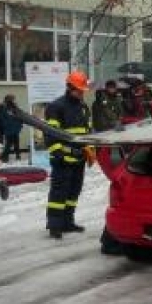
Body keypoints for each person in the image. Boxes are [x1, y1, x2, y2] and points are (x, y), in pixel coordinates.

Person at [45, 71, 94, 239]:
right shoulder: (56, 107)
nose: (81, 93)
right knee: (59, 193)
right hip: (62, 159)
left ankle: (68, 222)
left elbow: (86, 131)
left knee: (74, 191)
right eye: (79, 90)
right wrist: (57, 153)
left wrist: (89, 149)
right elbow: (50, 133)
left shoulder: (83, 107)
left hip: (79, 157)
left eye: (82, 90)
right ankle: (54, 226)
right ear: (70, 87)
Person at [0, 95, 24, 162]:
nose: (14, 100)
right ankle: (4, 157)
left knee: (16, 143)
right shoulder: (4, 108)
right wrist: (7, 125)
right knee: (9, 144)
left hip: (15, 129)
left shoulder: (15, 108)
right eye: (13, 99)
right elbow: (3, 119)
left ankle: (18, 156)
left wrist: (20, 126)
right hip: (9, 129)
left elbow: (20, 117)